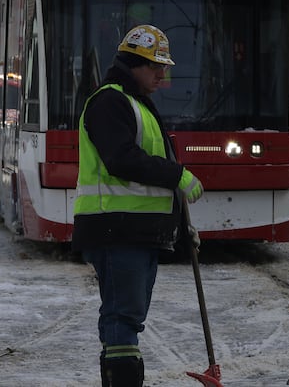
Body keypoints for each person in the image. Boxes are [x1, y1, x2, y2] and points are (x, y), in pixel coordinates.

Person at [73, 25, 204, 387]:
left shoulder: (136, 104)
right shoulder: (110, 101)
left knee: (127, 318)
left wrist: (178, 227)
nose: (162, 74)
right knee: (122, 318)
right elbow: (122, 160)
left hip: (135, 230)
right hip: (116, 229)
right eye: (155, 66)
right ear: (133, 64)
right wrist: (177, 175)